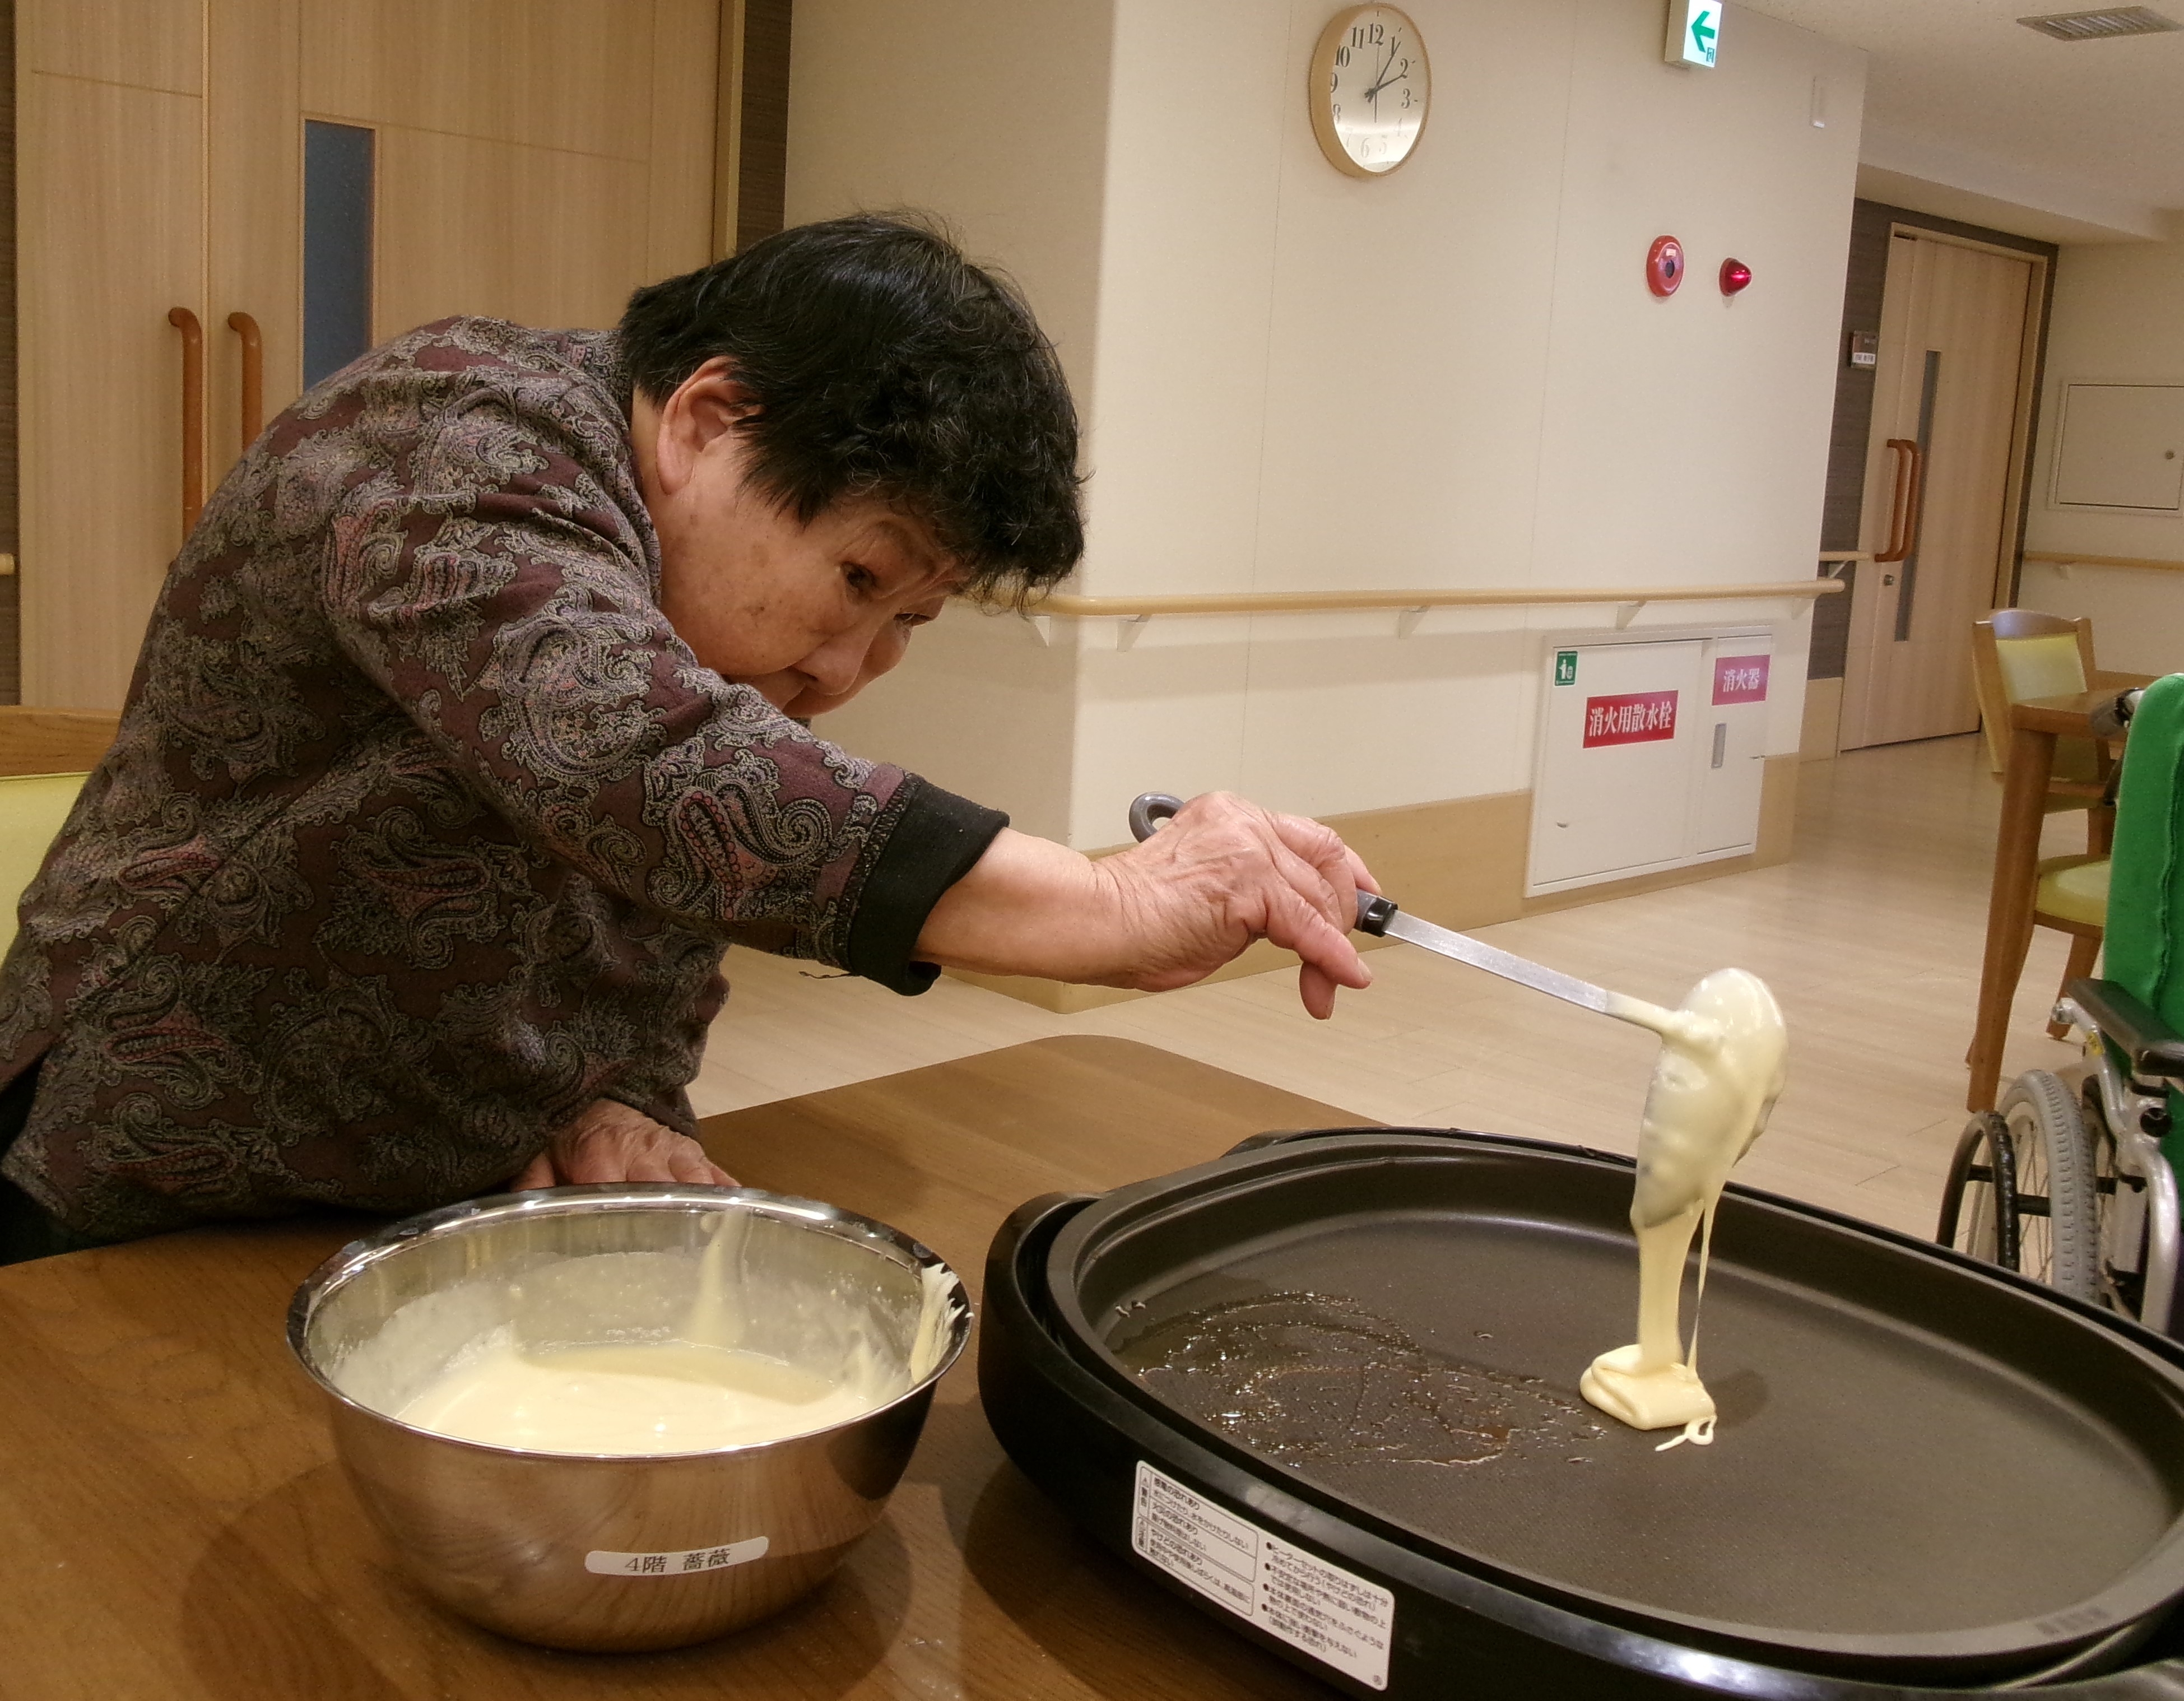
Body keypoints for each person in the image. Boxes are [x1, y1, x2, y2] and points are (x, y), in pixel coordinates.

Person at [0, 213, 1374, 1262]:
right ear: (711, 421)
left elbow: (667, 876)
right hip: (131, 1168)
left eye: (913, 620)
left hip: (433, 1198)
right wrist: (1106, 899)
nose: (851, 667)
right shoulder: (463, 441)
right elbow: (633, 762)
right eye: (856, 578)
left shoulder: (700, 606)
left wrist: (620, 1093)